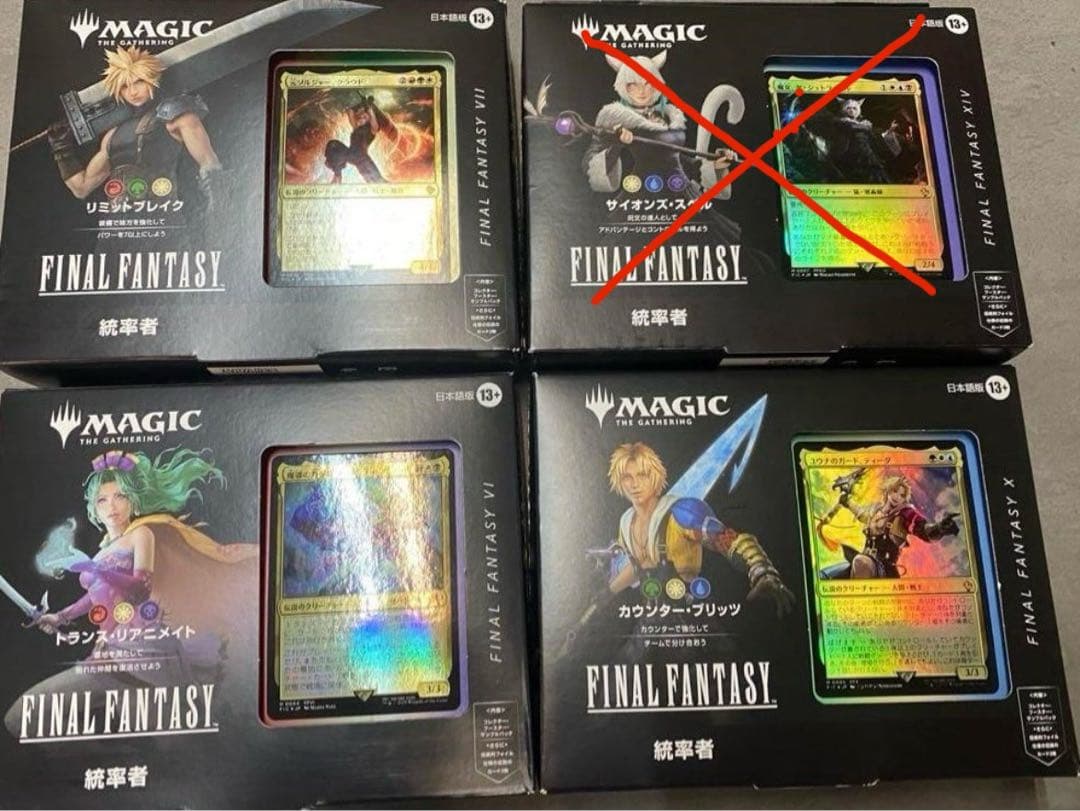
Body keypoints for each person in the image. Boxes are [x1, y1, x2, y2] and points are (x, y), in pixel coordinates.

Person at [4, 448, 256, 737]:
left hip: (145, 650)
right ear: (94, 508)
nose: (111, 506)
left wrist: (94, 568)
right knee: (23, 718)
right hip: (108, 652)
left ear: (132, 500)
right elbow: (95, 596)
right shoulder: (103, 550)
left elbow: (140, 587)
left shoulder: (141, 535)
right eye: (102, 500)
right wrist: (59, 616)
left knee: (172, 743)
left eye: (119, 496)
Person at [47, 46, 222, 207]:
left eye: (139, 81)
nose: (132, 92)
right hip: (118, 222)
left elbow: (211, 167)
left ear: (152, 79)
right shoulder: (113, 135)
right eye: (124, 86)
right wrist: (62, 150)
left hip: (165, 214)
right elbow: (81, 188)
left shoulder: (177, 115)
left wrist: (218, 207)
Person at [821, 474, 960, 579]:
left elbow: (924, 530)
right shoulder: (876, 510)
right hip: (863, 562)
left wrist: (939, 528)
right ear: (888, 491)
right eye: (895, 491)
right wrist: (847, 499)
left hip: (884, 570)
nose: (897, 497)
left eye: (902, 495)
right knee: (826, 575)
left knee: (861, 562)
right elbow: (861, 512)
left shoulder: (905, 514)